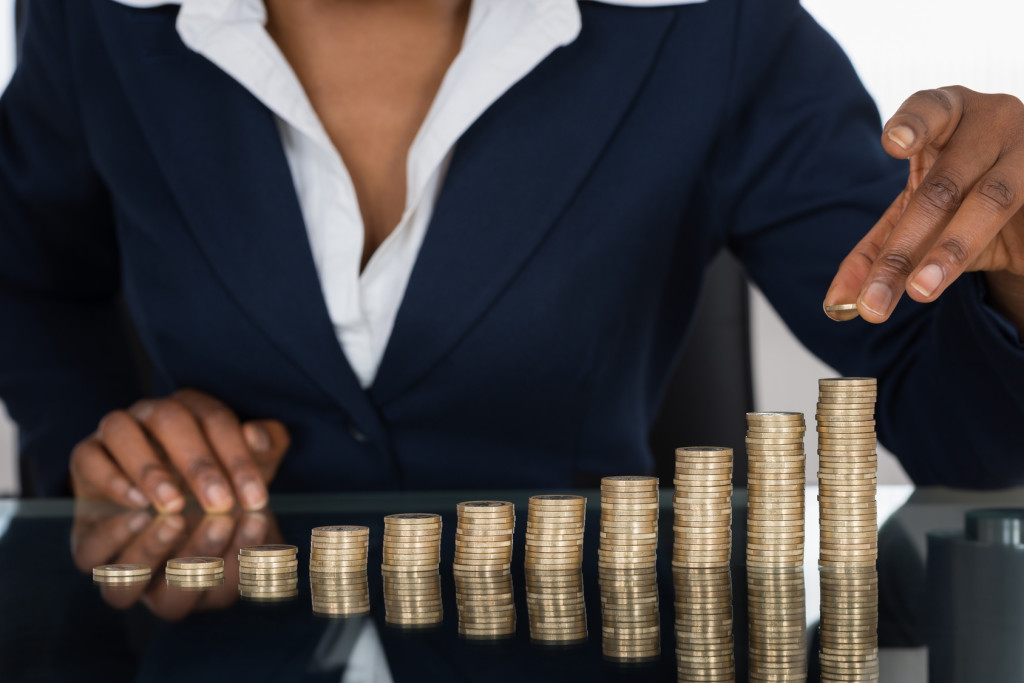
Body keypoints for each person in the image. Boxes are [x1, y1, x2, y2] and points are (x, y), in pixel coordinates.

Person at [1, 0, 1022, 513]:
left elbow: (967, 436)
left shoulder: (713, 33)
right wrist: (105, 435)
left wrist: (1013, 273)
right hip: (212, 638)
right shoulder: (94, 23)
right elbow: (27, 276)